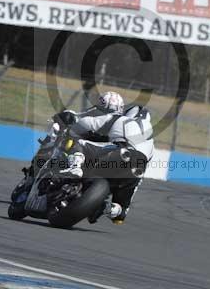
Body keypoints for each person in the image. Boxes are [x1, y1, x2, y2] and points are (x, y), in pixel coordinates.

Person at [58, 91, 154, 224]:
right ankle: (110, 209)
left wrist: (72, 121)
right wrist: (126, 203)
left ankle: (75, 168)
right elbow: (141, 171)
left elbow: (88, 123)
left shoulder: (122, 119)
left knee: (79, 143)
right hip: (137, 167)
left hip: (120, 152)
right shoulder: (151, 142)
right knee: (120, 214)